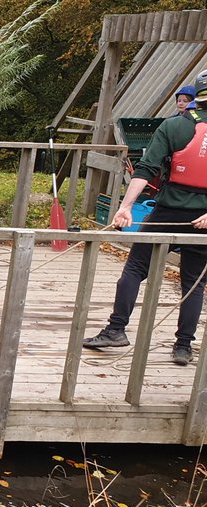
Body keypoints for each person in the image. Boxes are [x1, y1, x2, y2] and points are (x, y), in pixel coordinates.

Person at [83, 70, 207, 366]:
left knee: (136, 267)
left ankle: (116, 329)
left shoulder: (173, 126)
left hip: (167, 210)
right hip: (203, 219)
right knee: (193, 282)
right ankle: (183, 347)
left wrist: (126, 206)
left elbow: (147, 167)